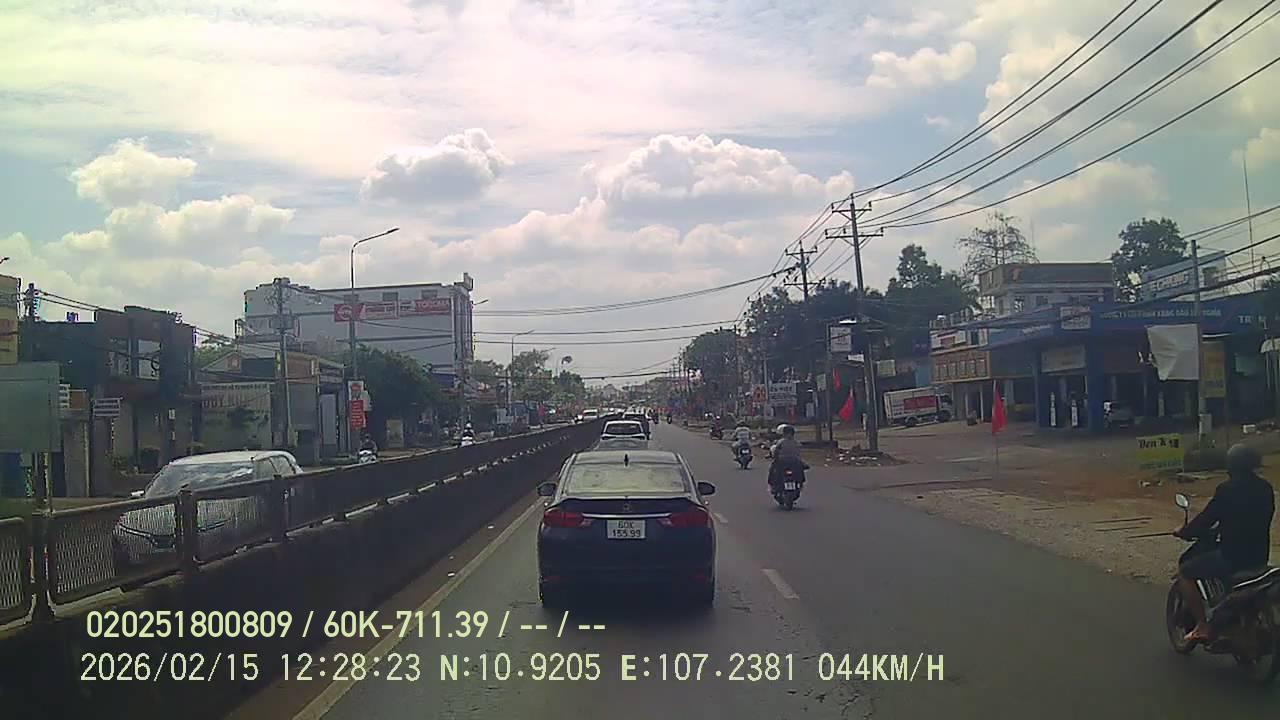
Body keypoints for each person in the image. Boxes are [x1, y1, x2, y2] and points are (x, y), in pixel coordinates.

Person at [1174, 443, 1275, 643]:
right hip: (1260, 556)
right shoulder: (1265, 488)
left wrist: (1184, 531)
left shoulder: (1226, 490)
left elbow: (1207, 518)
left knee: (1185, 572)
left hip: (1231, 557)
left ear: (1231, 465)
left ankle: (1202, 626)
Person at [768, 424, 805, 488]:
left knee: (772, 469)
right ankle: (801, 483)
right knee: (801, 468)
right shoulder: (796, 442)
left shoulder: (781, 442)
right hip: (794, 462)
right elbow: (799, 452)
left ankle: (772, 484)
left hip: (783, 461)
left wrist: (775, 457)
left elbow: (776, 451)